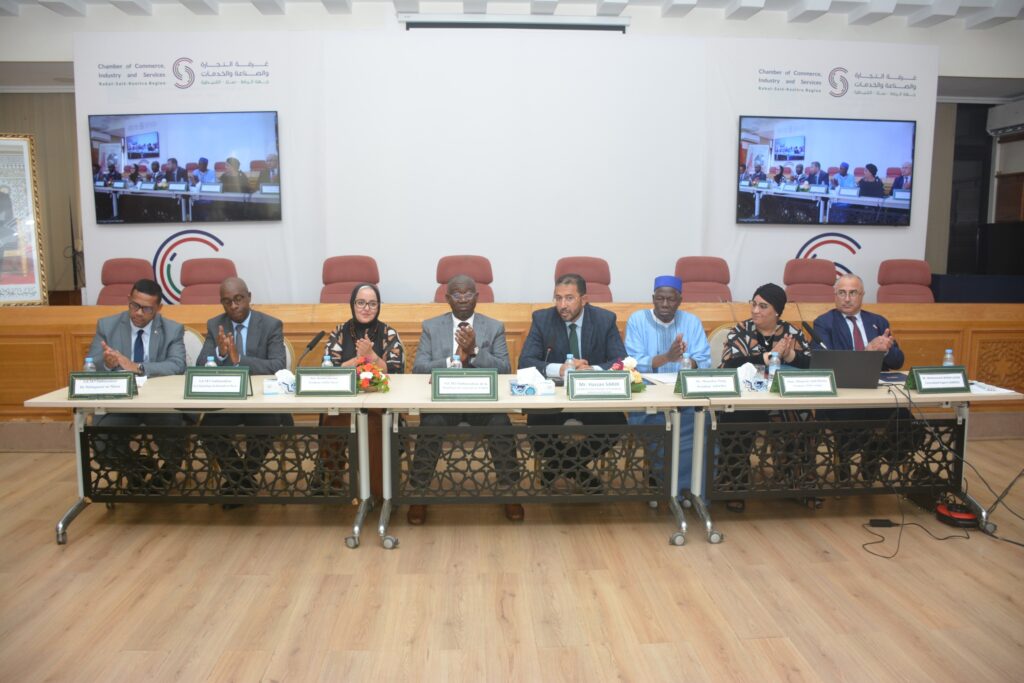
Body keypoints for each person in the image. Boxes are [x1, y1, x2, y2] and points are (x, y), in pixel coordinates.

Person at [407, 275, 522, 525]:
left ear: (477, 297)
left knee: (501, 424)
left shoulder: (494, 327)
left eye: (468, 294)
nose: (462, 299)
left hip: (482, 401)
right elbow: (419, 368)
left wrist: (475, 351)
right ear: (447, 298)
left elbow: (505, 368)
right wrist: (453, 360)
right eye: (456, 294)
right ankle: (419, 493)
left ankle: (510, 490)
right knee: (430, 425)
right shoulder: (431, 326)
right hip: (444, 401)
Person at [519, 273, 627, 492]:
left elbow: (620, 361)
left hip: (592, 395)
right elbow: (525, 362)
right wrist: (559, 369)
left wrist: (592, 370)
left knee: (615, 424)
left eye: (569, 298)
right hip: (554, 395)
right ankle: (579, 472)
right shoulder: (542, 319)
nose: (562, 305)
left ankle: (556, 467)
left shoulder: (604, 320)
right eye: (558, 298)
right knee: (536, 425)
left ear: (584, 299)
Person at [197, 277, 291, 509]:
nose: (234, 306)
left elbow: (278, 365)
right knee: (208, 429)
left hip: (263, 401)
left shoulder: (270, 325)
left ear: (249, 297)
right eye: (227, 301)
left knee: (267, 425)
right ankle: (241, 479)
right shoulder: (215, 325)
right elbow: (200, 366)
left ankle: (240, 481)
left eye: (238, 299)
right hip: (229, 400)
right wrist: (219, 353)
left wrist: (239, 360)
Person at [85, 279, 187, 492]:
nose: (139, 313)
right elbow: (90, 366)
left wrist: (138, 367)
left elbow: (177, 365)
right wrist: (107, 364)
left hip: (158, 403)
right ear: (128, 301)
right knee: (100, 436)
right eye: (135, 306)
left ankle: (168, 472)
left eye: (147, 309)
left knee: (174, 429)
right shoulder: (107, 326)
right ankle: (137, 467)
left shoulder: (172, 329)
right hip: (121, 403)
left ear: (159, 308)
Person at [718, 283, 812, 512]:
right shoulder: (741, 331)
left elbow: (811, 364)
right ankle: (735, 485)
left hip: (781, 399)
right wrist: (766, 357)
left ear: (777, 311)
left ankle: (796, 483)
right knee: (736, 420)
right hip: (746, 399)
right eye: (754, 304)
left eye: (763, 306)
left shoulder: (791, 333)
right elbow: (730, 363)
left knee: (804, 416)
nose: (755, 310)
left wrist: (789, 355)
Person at [813, 274, 908, 482]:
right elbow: (825, 362)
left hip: (878, 394)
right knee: (852, 425)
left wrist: (885, 351)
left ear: (862, 295)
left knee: (907, 424)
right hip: (841, 397)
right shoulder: (824, 323)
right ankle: (846, 461)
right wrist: (867, 351)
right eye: (842, 293)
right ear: (835, 295)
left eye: (853, 293)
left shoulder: (878, 322)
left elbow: (898, 361)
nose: (847, 299)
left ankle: (873, 453)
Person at [624, 275, 711, 498]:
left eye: (670, 299)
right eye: (659, 298)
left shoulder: (692, 322)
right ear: (653, 298)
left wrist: (687, 361)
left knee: (703, 427)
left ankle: (696, 491)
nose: (664, 304)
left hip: (685, 398)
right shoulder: (637, 320)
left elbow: (704, 361)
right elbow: (632, 362)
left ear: (680, 300)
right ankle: (673, 490)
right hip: (648, 401)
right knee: (663, 431)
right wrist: (667, 357)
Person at [321, 283, 404, 497]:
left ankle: (378, 492)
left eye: (372, 304)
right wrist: (359, 359)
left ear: (379, 306)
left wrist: (372, 356)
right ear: (352, 304)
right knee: (330, 420)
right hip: (343, 405)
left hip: (380, 407)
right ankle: (334, 479)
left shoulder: (388, 333)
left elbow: (396, 372)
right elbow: (328, 371)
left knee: (372, 424)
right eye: (361, 302)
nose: (366, 308)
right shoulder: (339, 332)